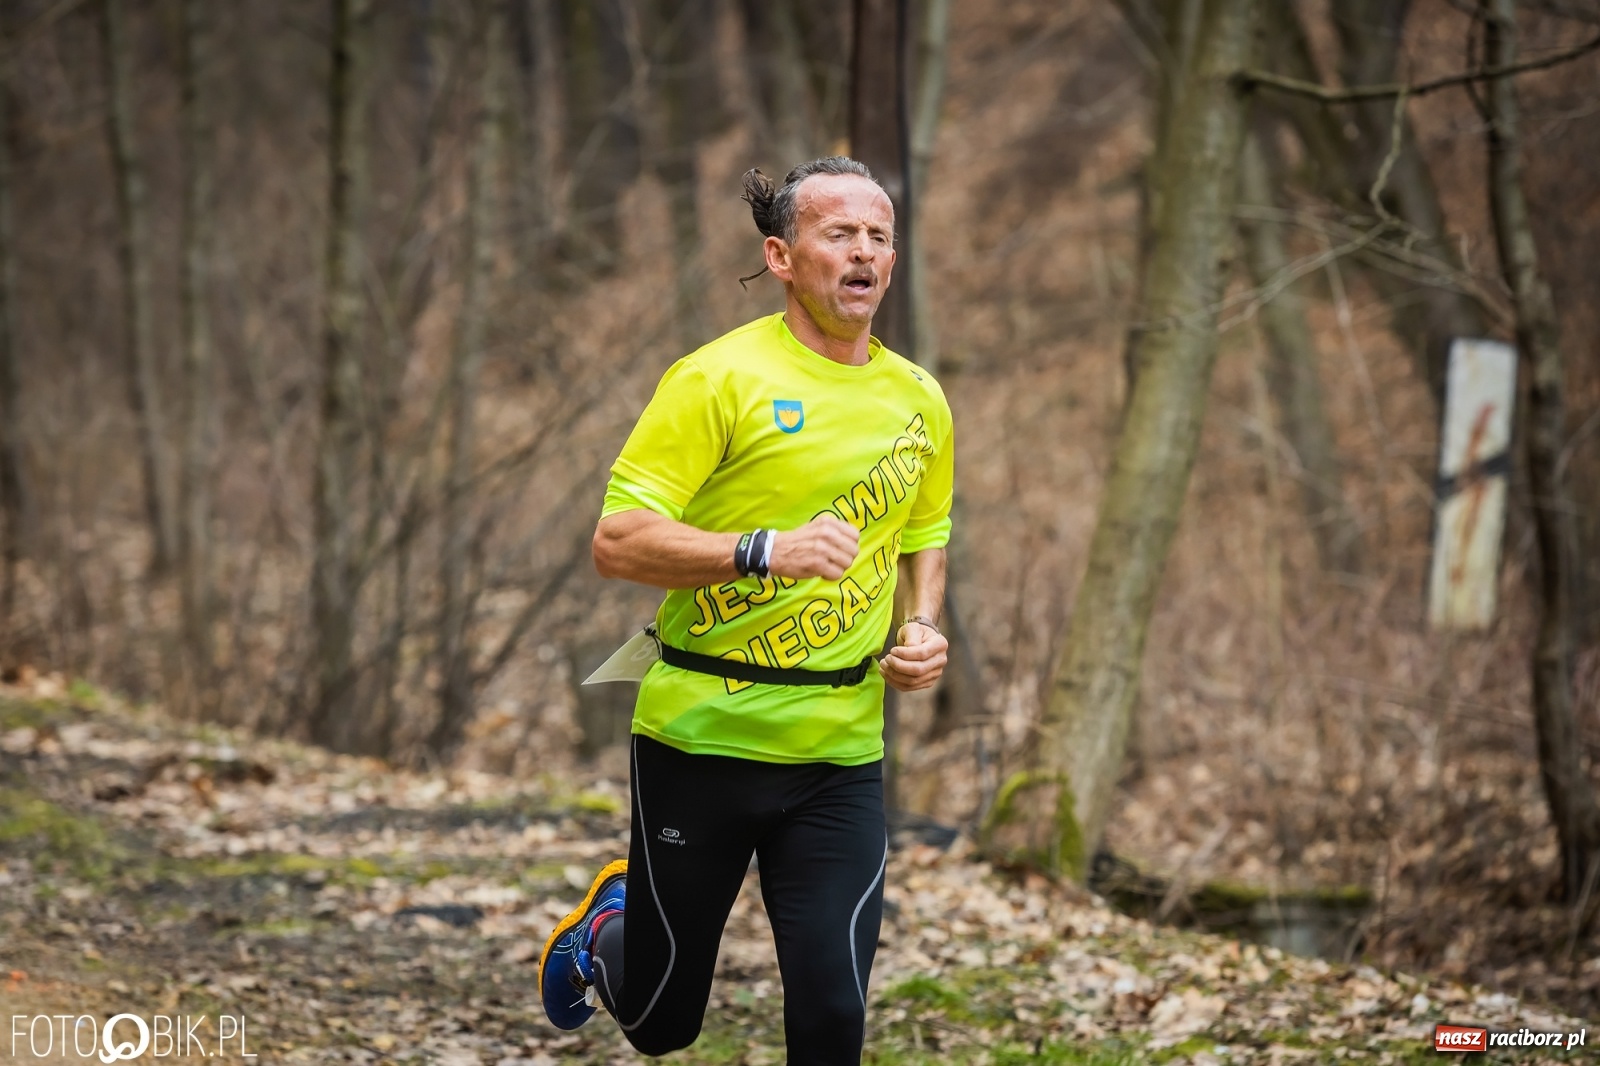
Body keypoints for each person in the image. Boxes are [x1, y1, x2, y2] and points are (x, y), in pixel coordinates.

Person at [538, 156, 955, 1066]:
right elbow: (618, 541)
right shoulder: (716, 379)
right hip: (699, 739)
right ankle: (610, 927)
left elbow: (928, 525)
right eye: (838, 233)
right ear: (781, 255)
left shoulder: (918, 398)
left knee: (832, 1019)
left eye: (879, 236)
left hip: (839, 753)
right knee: (660, 1025)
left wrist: (922, 625)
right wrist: (762, 549)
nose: (864, 252)